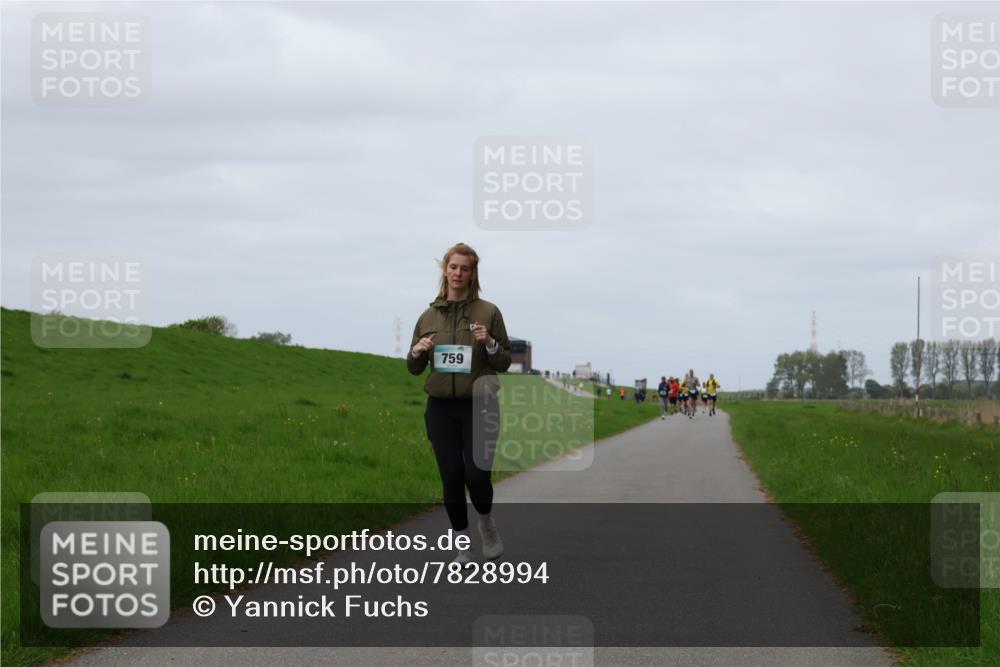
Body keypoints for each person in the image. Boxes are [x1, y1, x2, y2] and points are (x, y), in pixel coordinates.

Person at [407, 243, 511, 566]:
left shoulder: (488, 312)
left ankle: (486, 524)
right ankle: (462, 545)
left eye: (465, 268)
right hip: (441, 408)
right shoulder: (428, 316)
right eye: (453, 267)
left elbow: (505, 361)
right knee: (451, 476)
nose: (458, 273)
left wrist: (490, 344)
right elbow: (412, 367)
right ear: (445, 270)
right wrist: (418, 351)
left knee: (477, 476)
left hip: (480, 405)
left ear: (472, 273)